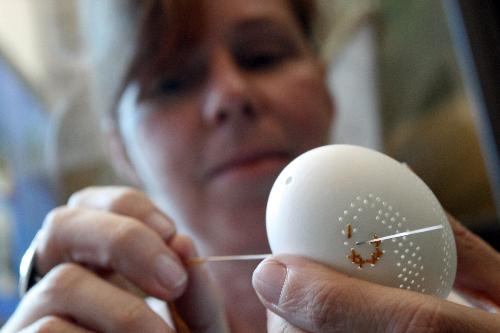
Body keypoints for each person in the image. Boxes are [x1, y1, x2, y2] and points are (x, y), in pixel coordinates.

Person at [2, 0, 500, 332]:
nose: (230, 95)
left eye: (262, 56)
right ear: (122, 150)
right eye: (171, 82)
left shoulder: (472, 308)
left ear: (325, 90)